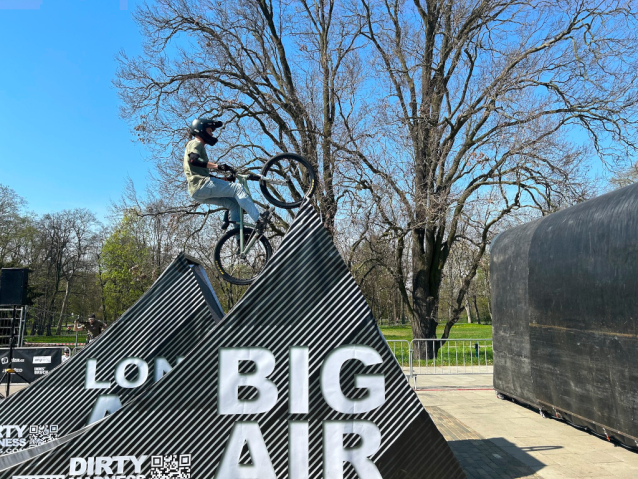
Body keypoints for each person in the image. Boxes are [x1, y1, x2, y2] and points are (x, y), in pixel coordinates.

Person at [183, 118, 271, 232]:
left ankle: (240, 240)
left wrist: (225, 179)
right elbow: (193, 160)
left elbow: (202, 173)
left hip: (197, 191)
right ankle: (259, 219)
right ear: (201, 130)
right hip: (201, 185)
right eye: (210, 131)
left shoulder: (197, 146)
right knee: (238, 189)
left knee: (234, 205)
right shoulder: (196, 143)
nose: (211, 134)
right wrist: (218, 166)